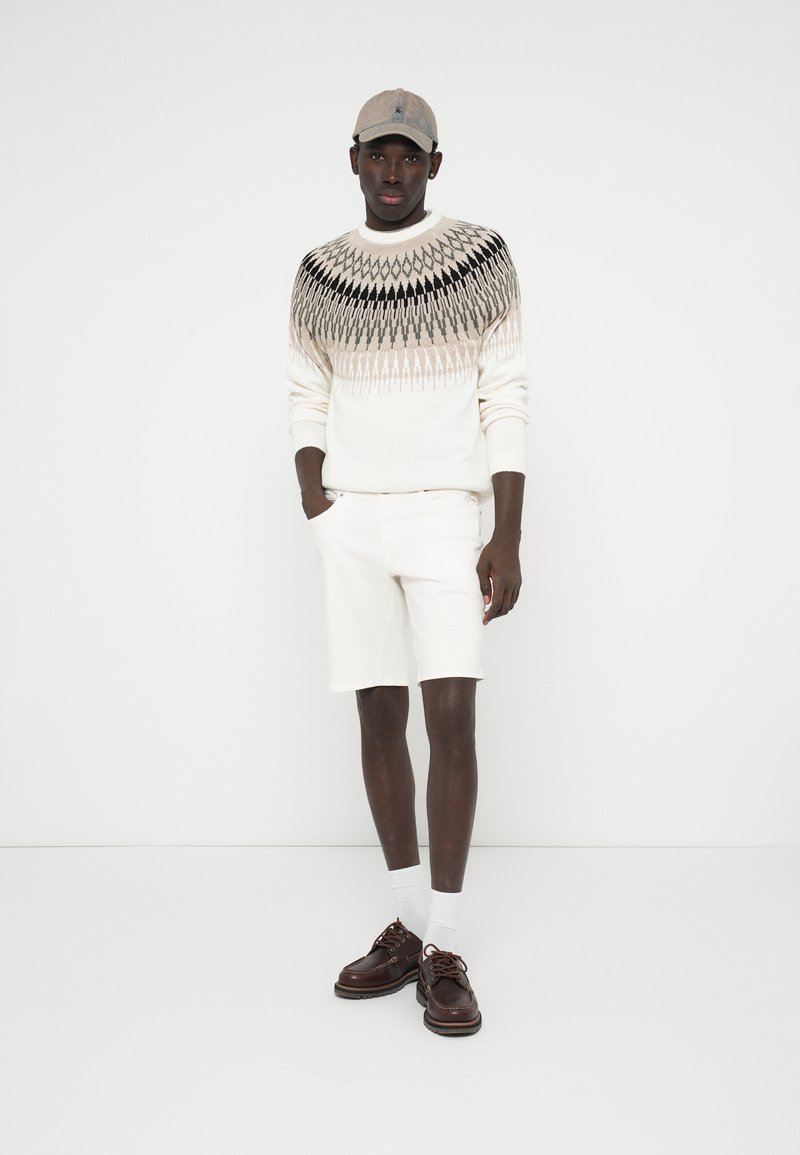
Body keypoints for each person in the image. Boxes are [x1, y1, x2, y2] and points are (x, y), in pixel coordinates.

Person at [287, 89, 528, 1037]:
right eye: (378, 154)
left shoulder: (481, 256)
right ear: (353, 159)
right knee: (377, 715)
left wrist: (505, 532)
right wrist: (316, 497)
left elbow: (505, 393)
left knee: (452, 717)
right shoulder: (320, 271)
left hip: (443, 516)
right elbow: (306, 388)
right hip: (353, 517)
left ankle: (447, 946)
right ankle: (406, 925)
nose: (393, 171)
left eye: (410, 156)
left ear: (434, 164)